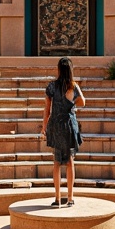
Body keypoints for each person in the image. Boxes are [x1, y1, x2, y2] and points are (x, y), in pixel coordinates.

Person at [40, 57, 86, 207]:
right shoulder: (74, 87)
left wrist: (44, 128)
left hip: (56, 125)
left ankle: (57, 198)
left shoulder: (52, 87)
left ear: (59, 69)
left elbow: (47, 110)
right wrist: (72, 103)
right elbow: (83, 102)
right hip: (69, 125)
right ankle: (70, 198)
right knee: (70, 161)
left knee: (57, 162)